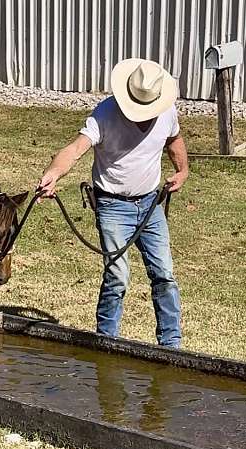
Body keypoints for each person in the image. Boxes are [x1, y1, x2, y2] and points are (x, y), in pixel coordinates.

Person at [37, 58, 189, 348]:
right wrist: (54, 173)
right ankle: (107, 343)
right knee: (118, 274)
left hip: (150, 204)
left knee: (164, 275)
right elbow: (76, 148)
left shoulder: (166, 111)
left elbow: (174, 140)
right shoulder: (105, 114)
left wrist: (182, 171)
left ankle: (171, 345)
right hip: (113, 205)